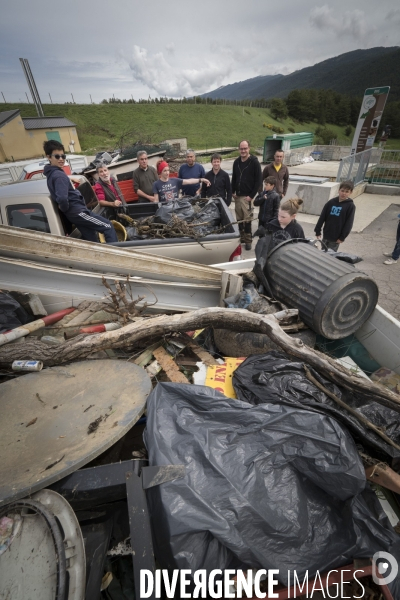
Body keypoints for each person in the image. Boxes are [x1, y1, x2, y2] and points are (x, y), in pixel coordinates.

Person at [43, 140, 117, 243]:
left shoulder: (52, 173)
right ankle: (114, 256)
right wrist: (64, 207)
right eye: (57, 156)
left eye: (63, 156)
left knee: (91, 239)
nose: (61, 159)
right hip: (77, 212)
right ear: (48, 157)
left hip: (75, 213)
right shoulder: (59, 175)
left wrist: (69, 179)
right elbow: (63, 199)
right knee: (108, 226)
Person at [231, 140, 262, 250]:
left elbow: (258, 180)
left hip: (247, 197)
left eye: (245, 148)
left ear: (249, 148)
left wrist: (251, 196)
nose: (243, 150)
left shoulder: (254, 162)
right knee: (239, 218)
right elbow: (234, 178)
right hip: (238, 196)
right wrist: (232, 191)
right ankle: (242, 238)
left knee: (247, 219)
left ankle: (248, 241)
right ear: (239, 149)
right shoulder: (236, 162)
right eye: (241, 148)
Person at [314, 180, 355, 251]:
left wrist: (342, 237)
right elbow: (322, 217)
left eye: (347, 191)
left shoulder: (350, 206)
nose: (344, 193)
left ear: (350, 192)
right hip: (326, 234)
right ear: (339, 190)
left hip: (336, 237)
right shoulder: (331, 202)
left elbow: (349, 223)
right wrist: (318, 230)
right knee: (323, 252)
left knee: (331, 255)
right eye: (342, 191)